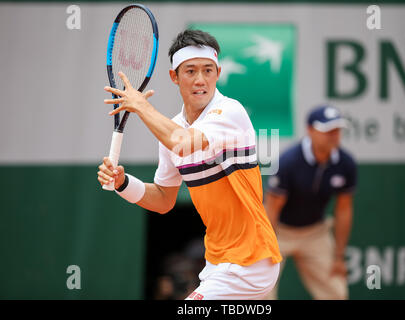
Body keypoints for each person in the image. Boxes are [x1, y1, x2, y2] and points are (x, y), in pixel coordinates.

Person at [97, 29, 282, 300]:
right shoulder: (172, 130)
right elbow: (163, 200)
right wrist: (122, 184)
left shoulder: (230, 112)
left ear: (218, 73)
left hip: (250, 261)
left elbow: (181, 142)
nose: (200, 80)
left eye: (208, 71)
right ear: (175, 77)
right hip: (218, 263)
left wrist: (141, 106)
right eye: (190, 71)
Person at [264, 105, 357, 300]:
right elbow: (271, 208)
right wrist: (266, 247)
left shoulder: (346, 163)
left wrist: (339, 256)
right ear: (310, 131)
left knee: (336, 294)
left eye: (337, 130)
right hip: (279, 233)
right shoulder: (289, 161)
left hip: (316, 233)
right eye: (327, 130)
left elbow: (344, 210)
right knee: (261, 293)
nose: (333, 136)